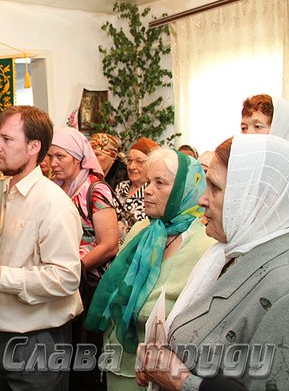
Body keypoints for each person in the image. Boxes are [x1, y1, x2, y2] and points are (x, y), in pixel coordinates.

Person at [135, 135, 289, 391]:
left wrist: (180, 380)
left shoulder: (282, 286)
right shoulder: (227, 254)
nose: (202, 200)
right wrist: (161, 359)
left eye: (215, 188)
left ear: (260, 199)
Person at [0, 105, 83, 391]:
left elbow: (66, 277)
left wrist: (2, 277)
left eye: (6, 139)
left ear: (33, 147)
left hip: (34, 341)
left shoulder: (53, 203)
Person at [85, 148, 215, 391]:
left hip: (161, 376)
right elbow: (117, 291)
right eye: (148, 182)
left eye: (160, 183)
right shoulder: (142, 230)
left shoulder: (204, 245)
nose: (148, 190)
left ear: (184, 190)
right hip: (117, 363)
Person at [48, 127, 119, 391]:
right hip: (62, 281)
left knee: (86, 352)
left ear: (78, 158)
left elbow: (109, 244)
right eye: (50, 156)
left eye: (61, 156)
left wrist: (75, 268)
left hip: (89, 284)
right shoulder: (55, 188)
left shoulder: (95, 189)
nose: (53, 163)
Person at [114, 137, 159, 240]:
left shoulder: (154, 192)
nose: (131, 167)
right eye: (129, 161)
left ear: (151, 165)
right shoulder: (121, 187)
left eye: (139, 162)